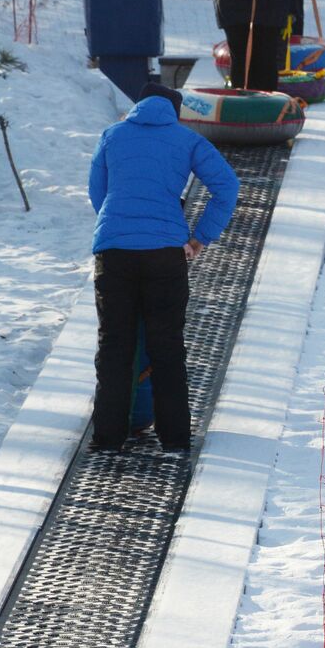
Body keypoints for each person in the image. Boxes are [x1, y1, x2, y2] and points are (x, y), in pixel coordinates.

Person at [88, 84, 239, 451]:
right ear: (176, 112)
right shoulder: (187, 140)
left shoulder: (112, 134)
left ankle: (107, 439)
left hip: (115, 253)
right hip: (165, 254)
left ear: (138, 105)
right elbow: (227, 186)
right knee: (166, 346)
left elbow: (98, 191)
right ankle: (174, 439)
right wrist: (201, 236)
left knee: (114, 345)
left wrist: (119, 227)